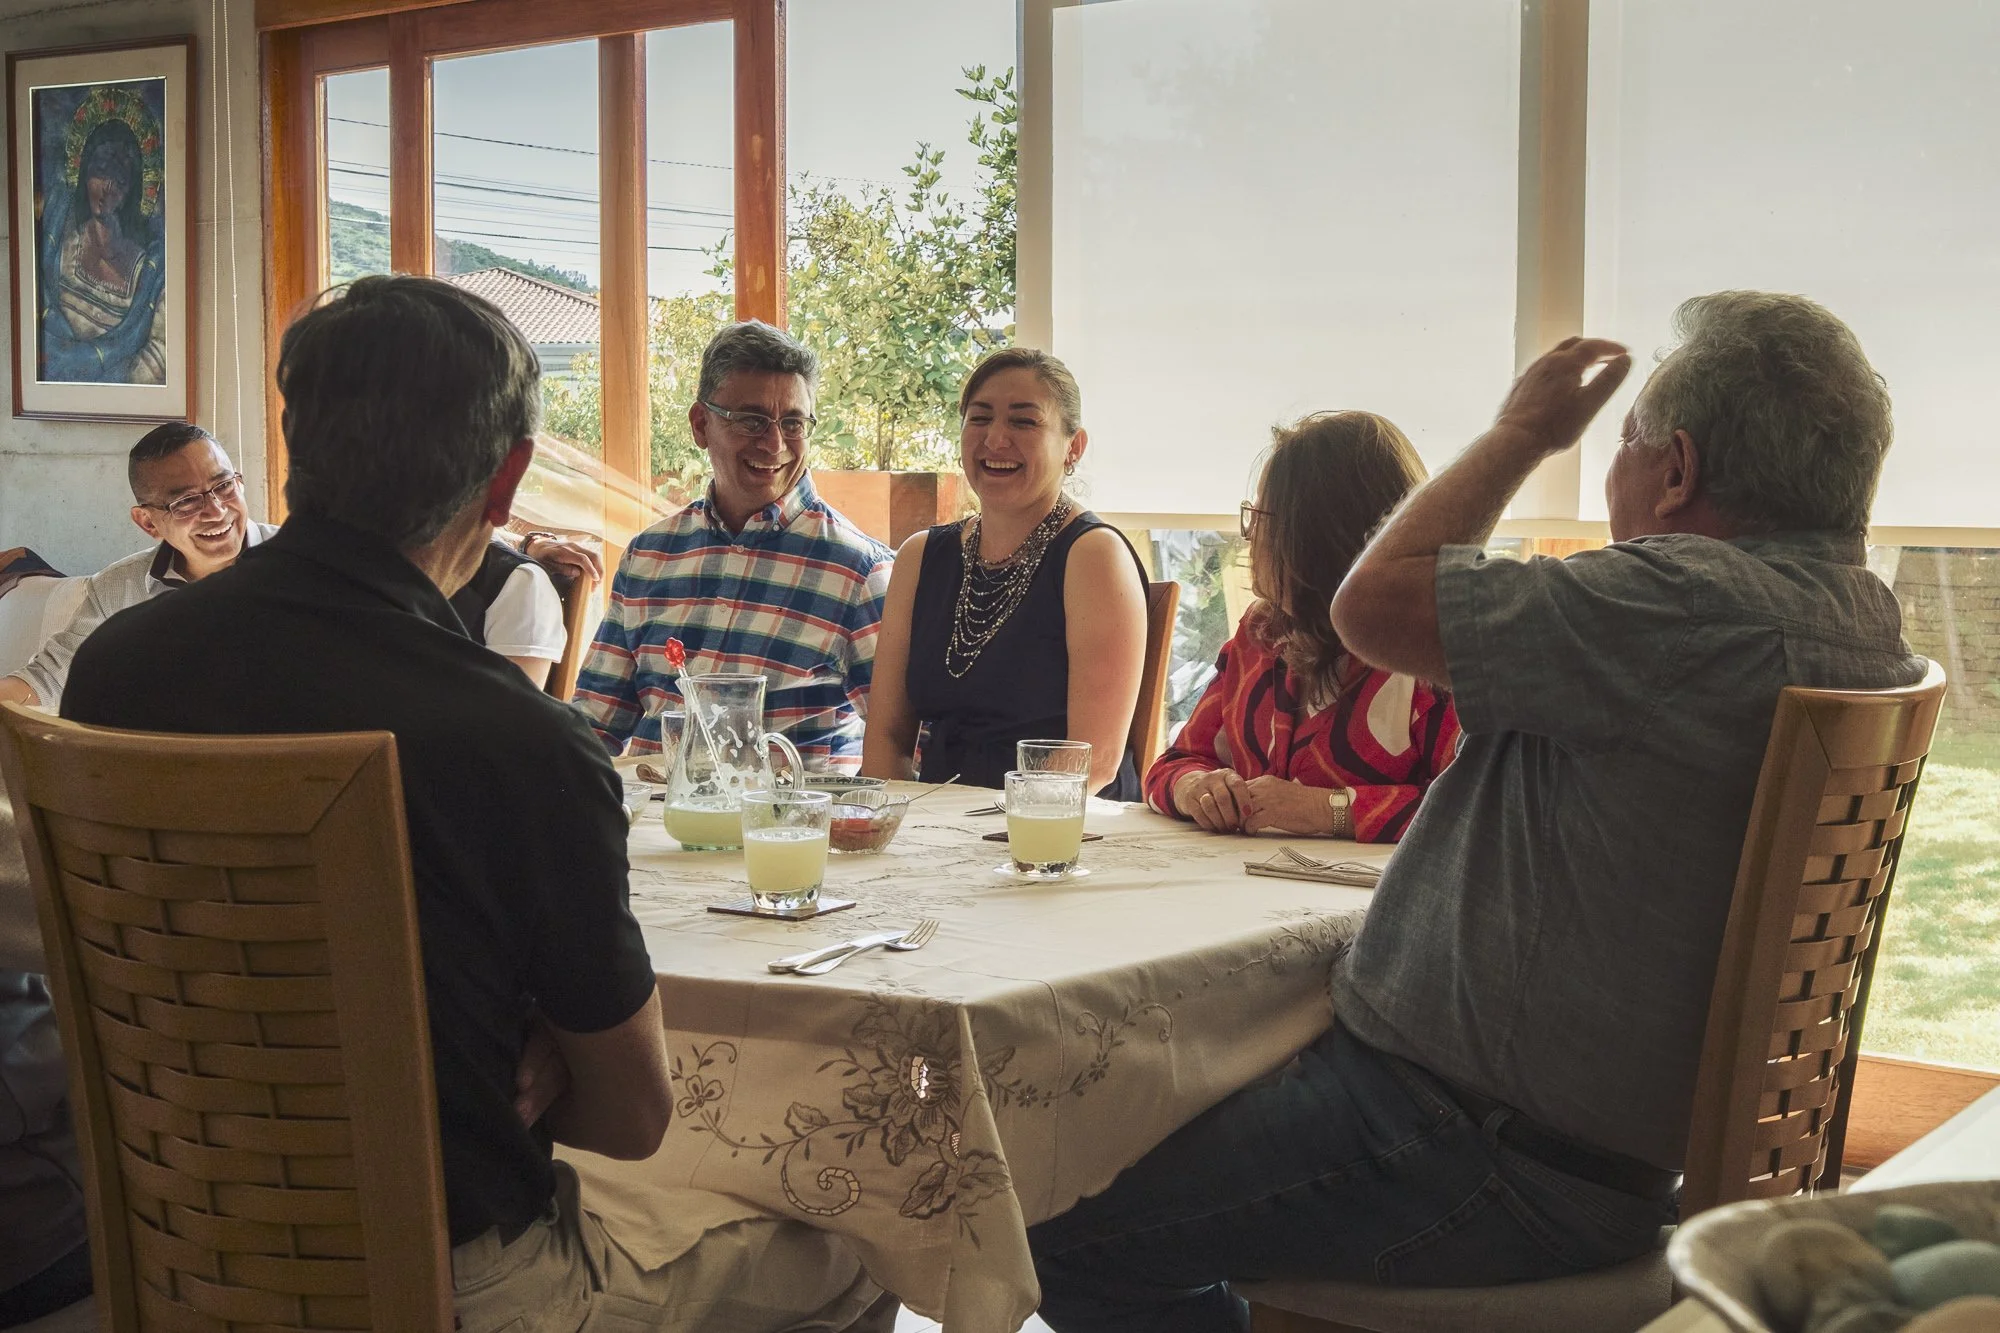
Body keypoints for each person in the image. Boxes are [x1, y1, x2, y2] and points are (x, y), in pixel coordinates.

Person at [1027, 291, 1927, 1331]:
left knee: (1055, 1225)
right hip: (1593, 1149)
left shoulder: (1673, 605)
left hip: (1471, 1147)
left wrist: (1521, 430)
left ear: (1675, 470)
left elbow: (1367, 606)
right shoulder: (1861, 619)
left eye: (1623, 442)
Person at [59, 276, 884, 1331]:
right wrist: (515, 1032)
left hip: (183, 1234)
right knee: (847, 1236)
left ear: (294, 441)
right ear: (506, 482)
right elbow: (631, 1119)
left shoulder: (119, 667)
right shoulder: (514, 738)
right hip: (450, 1278)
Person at [0, 423, 590, 710]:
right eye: (184, 501)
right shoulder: (118, 591)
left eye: (224, 485)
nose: (215, 510)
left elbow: (416, 535)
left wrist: (521, 546)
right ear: (147, 522)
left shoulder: (314, 560)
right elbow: (44, 682)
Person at [574, 321, 891, 769]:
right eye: (752, 420)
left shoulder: (860, 572)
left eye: (794, 423)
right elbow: (594, 725)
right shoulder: (650, 554)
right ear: (700, 425)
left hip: (779, 828)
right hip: (651, 822)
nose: (775, 443)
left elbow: (902, 749)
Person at [1145, 413, 1459, 841]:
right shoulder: (1261, 631)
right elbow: (1175, 763)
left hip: (1377, 903)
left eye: (1262, 517)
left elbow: (1478, 812)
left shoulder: (1434, 652)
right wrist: (1195, 788)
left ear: (1321, 538)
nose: (1249, 536)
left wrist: (1324, 810)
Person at [862, 348, 1148, 798]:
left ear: (1073, 447)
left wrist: (993, 834)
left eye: (1023, 421)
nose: (995, 440)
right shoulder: (920, 556)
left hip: (1061, 827)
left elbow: (1092, 758)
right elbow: (886, 742)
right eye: (980, 418)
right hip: (938, 829)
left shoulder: (1095, 554)